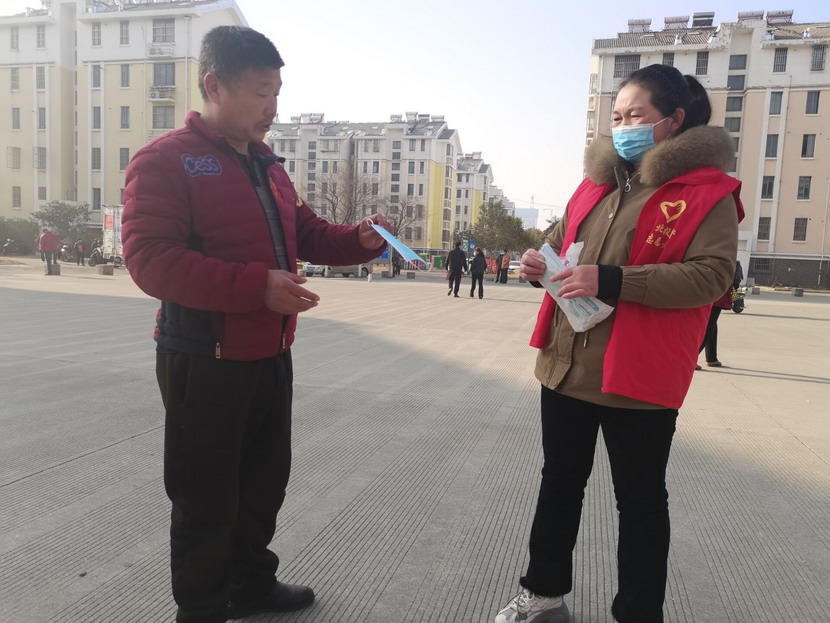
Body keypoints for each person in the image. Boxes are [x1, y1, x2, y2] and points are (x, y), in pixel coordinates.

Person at [121, 26, 390, 623]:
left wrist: (361, 240)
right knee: (206, 493)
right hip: (204, 357)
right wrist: (255, 287)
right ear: (214, 86)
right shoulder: (165, 160)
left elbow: (307, 233)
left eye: (277, 94)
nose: (272, 109)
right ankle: (202, 607)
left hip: (270, 351)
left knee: (264, 483)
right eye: (260, 93)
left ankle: (250, 585)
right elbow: (149, 260)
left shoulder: (269, 165)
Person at [496, 64, 742, 623]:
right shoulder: (596, 184)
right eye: (617, 116)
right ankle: (543, 594)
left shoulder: (706, 193)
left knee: (640, 501)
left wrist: (612, 279)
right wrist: (538, 264)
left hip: (637, 376)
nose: (624, 126)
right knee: (559, 485)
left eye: (637, 115)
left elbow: (711, 277)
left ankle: (637, 613)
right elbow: (561, 244)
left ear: (673, 120)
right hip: (567, 366)